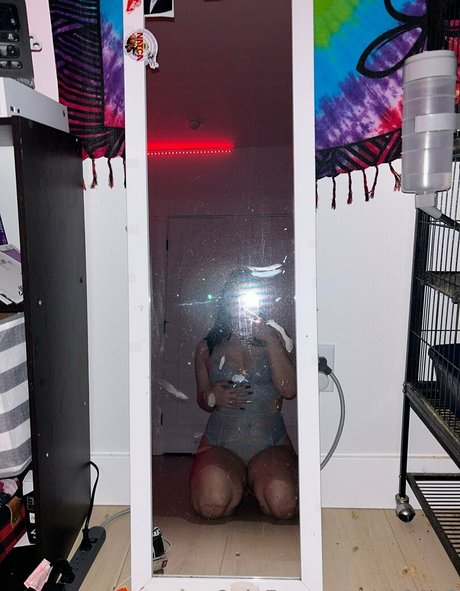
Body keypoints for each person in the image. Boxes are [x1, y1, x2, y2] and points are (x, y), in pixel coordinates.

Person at [189, 267, 298, 520]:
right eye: (234, 298)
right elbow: (202, 398)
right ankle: (236, 482)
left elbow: (289, 390)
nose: (240, 306)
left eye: (247, 298)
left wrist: (270, 339)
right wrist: (213, 396)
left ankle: (254, 482)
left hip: (270, 442)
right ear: (225, 302)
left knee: (282, 504)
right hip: (221, 442)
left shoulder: (276, 338)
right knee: (211, 504)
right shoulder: (207, 347)